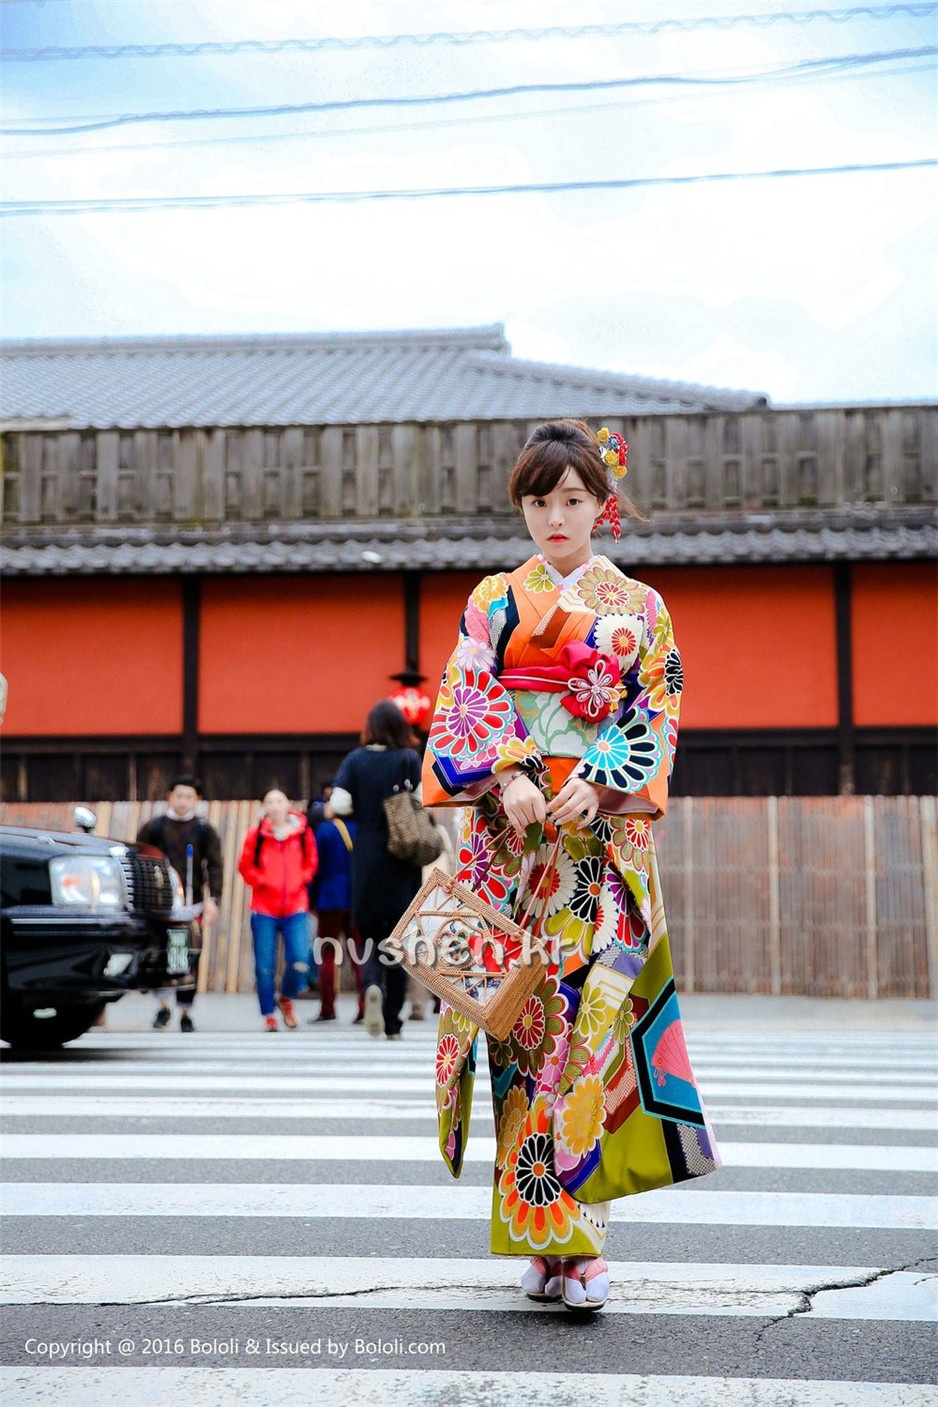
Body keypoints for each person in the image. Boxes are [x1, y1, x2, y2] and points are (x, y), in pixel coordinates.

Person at [422, 419, 720, 1313]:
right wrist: (509, 771)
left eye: (572, 500)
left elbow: (658, 708)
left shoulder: (642, 609)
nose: (555, 517)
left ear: (601, 504)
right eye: (539, 501)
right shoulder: (491, 601)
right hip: (508, 852)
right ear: (521, 505)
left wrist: (598, 782)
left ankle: (579, 1243)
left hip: (594, 856)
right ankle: (536, 1244)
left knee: (582, 1035)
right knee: (517, 1032)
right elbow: (463, 695)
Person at [329, 700, 424, 1040]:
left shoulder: (355, 760)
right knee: (397, 940)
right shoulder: (408, 759)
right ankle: (393, 1021)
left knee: (369, 935)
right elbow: (422, 799)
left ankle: (372, 986)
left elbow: (339, 803)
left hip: (367, 853)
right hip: (402, 854)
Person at [137, 774, 223, 1033]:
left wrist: (213, 900)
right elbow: (139, 857)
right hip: (161, 904)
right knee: (161, 954)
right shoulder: (154, 827)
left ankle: (186, 1010)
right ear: (170, 796)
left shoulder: (204, 829)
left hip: (192, 903)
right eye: (179, 795)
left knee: (189, 956)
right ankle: (163, 1006)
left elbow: (215, 865)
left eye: (189, 796)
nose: (183, 801)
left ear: (197, 799)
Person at [238, 788, 318, 1032]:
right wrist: (261, 880)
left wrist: (301, 878)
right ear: (265, 807)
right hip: (264, 908)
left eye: (278, 801)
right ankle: (268, 1014)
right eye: (269, 802)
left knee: (300, 959)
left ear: (287, 805)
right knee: (264, 965)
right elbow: (245, 866)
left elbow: (311, 861)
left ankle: (286, 997)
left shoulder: (303, 833)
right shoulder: (257, 835)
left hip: (295, 906)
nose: (274, 806)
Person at [310, 808, 365, 1024]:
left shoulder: (324, 830)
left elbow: (316, 868)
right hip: (356, 897)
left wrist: (312, 899)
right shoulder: (361, 829)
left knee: (327, 954)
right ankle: (364, 1004)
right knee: (359, 953)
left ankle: (327, 1007)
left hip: (329, 896)